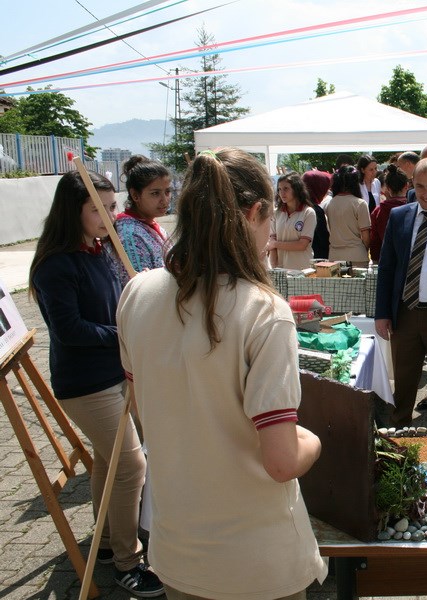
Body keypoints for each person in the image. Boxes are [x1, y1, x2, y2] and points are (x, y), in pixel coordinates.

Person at [116, 148, 328, 599]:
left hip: (177, 552)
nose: (270, 234)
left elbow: (143, 409)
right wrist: (313, 441)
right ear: (256, 213)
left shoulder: (136, 293)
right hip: (257, 563)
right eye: (269, 221)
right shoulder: (265, 312)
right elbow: (282, 462)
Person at [29, 171, 163, 597]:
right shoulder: (56, 263)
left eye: (109, 206)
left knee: (109, 461)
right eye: (96, 209)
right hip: (85, 383)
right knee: (131, 465)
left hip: (114, 372)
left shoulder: (103, 249)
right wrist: (124, 333)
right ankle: (129, 561)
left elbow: (121, 300)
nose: (108, 217)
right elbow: (70, 329)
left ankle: (106, 545)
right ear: (73, 212)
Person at [375, 158, 427, 427]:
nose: (426, 193)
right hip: (405, 314)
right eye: (419, 186)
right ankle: (397, 439)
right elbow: (387, 267)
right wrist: (382, 313)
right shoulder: (400, 216)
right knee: (403, 383)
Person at [113, 155, 172, 285]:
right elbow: (141, 288)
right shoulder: (130, 235)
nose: (164, 200)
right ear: (135, 195)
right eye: (155, 193)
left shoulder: (150, 224)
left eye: (167, 192)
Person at [267, 172, 317, 270]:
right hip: (281, 270)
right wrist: (274, 268)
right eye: (279, 189)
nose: (282, 193)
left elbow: (302, 245)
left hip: (302, 270)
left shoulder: (308, 212)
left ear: (296, 189)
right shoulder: (276, 213)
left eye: (286, 188)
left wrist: (276, 244)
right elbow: (272, 245)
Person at [326, 165, 371, 267]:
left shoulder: (330, 203)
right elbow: (366, 236)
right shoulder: (360, 203)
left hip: (334, 256)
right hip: (357, 255)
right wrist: (366, 249)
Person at [369, 164, 410, 263]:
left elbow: (375, 241)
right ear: (406, 186)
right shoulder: (414, 208)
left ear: (387, 187)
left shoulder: (378, 211)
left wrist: (375, 259)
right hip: (409, 261)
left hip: (385, 260)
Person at [301, 170, 332, 259]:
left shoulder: (295, 206)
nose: (326, 192)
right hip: (315, 260)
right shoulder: (316, 211)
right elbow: (323, 241)